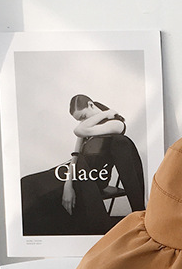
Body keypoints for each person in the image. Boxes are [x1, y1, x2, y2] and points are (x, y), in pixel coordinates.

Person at [20, 95, 146, 236]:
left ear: (91, 105)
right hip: (75, 171)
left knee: (34, 190)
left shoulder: (116, 124)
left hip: (91, 179)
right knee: (27, 183)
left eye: (83, 116)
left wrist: (105, 114)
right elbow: (76, 155)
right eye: (79, 120)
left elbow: (79, 131)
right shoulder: (89, 124)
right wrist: (68, 185)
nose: (83, 121)